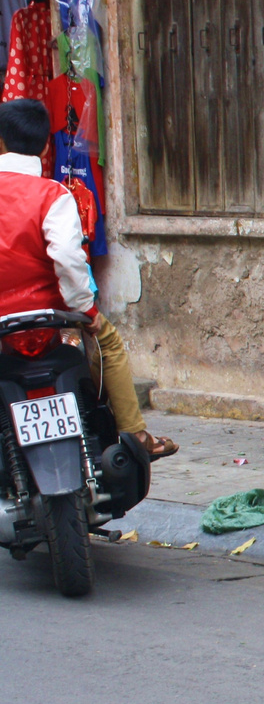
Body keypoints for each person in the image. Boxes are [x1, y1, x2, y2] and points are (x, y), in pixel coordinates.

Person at [0, 99, 176, 459]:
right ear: (47, 146)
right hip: (52, 317)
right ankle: (136, 434)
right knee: (107, 343)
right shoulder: (53, 194)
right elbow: (67, 257)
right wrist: (87, 309)